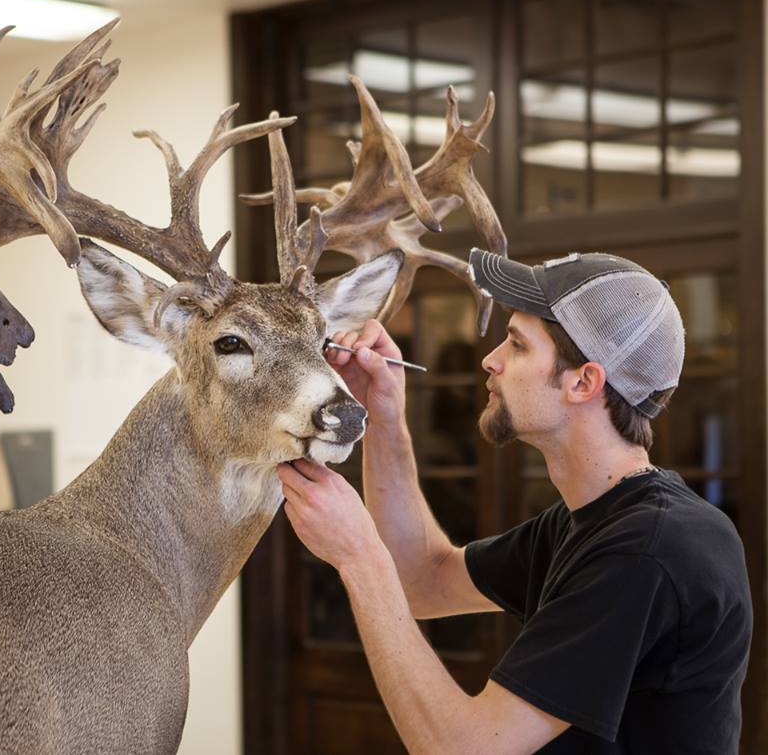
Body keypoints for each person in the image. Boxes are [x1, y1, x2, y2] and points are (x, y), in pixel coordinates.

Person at [279, 249, 753, 754]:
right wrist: (384, 416)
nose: (491, 359)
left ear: (583, 382)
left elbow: (463, 749)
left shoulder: (647, 552)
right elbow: (424, 580)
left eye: (517, 344)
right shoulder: (593, 522)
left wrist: (359, 559)